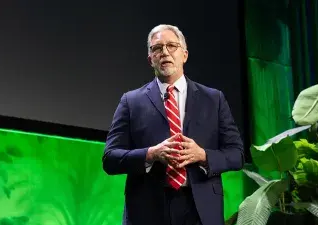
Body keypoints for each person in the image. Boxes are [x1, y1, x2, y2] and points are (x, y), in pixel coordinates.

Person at [102, 24, 244, 225]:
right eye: (157, 48)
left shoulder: (213, 99)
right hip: (148, 209)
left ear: (184, 55)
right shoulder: (131, 102)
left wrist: (203, 156)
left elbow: (237, 154)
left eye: (172, 46)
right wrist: (151, 154)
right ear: (150, 59)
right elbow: (110, 158)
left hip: (200, 209)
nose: (165, 52)